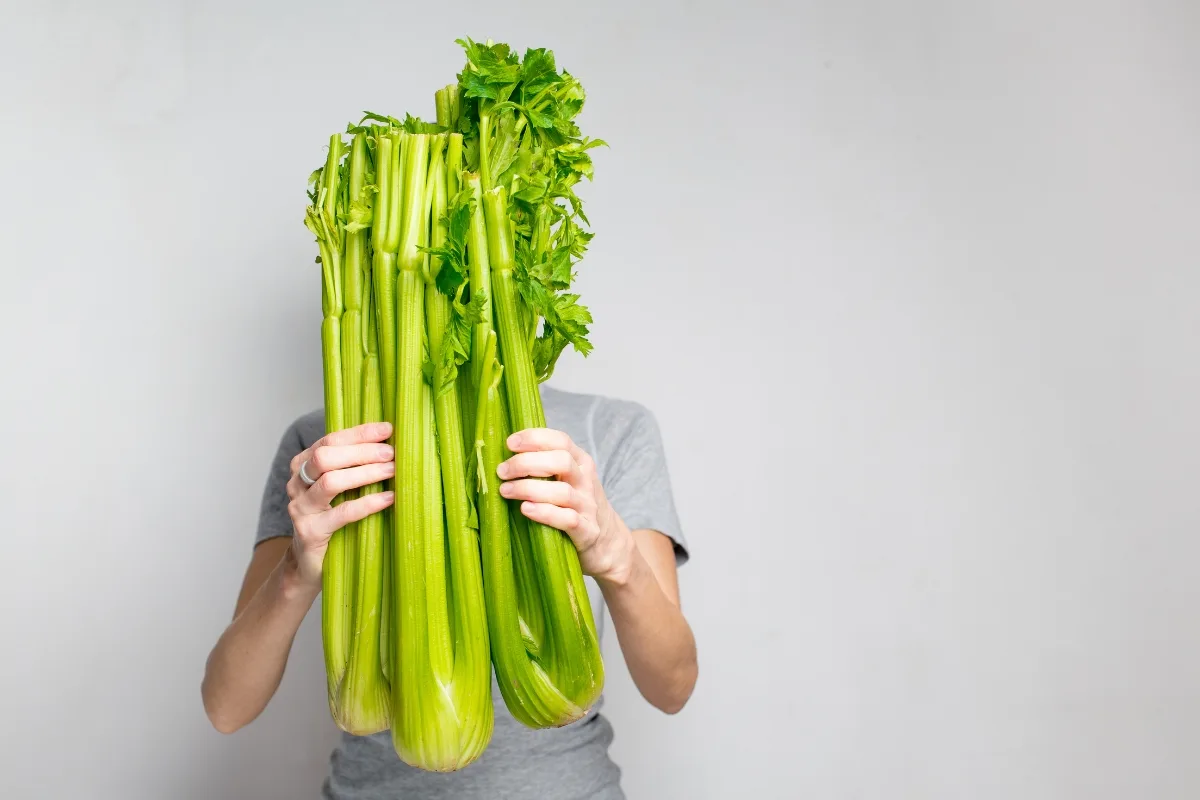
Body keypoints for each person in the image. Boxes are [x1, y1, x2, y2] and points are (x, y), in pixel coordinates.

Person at [201, 385, 698, 799]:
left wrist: (619, 558)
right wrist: (295, 570)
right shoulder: (327, 448)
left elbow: (672, 688)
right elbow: (226, 707)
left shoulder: (608, 431)